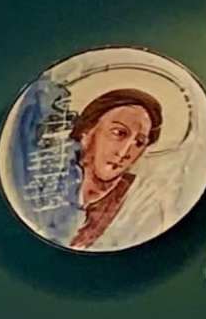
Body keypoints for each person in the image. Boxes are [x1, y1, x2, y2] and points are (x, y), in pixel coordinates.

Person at [67, 85, 166, 251]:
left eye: (139, 142)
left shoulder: (142, 206)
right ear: (86, 132)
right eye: (119, 133)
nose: (125, 152)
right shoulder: (51, 187)